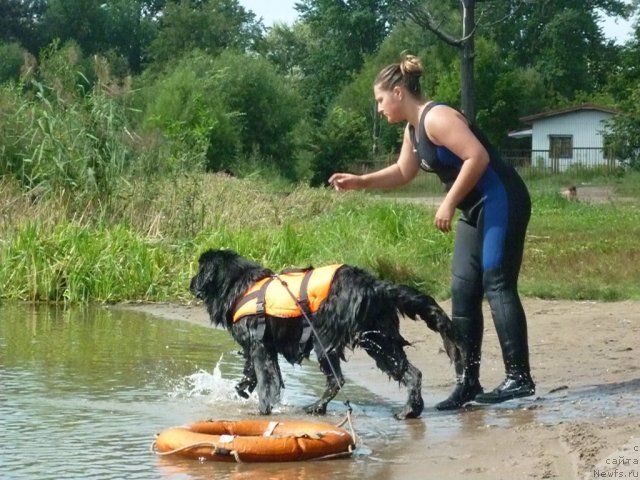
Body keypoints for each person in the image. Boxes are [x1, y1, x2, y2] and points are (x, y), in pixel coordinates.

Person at [328, 54, 535, 410]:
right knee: (462, 290)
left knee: (496, 282)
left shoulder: (437, 117)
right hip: (475, 208)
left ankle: (519, 378)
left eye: (379, 100)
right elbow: (402, 172)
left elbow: (477, 158)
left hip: (501, 198)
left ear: (397, 92)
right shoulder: (413, 130)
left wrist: (448, 202)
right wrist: (360, 181)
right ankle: (468, 382)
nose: (379, 109)